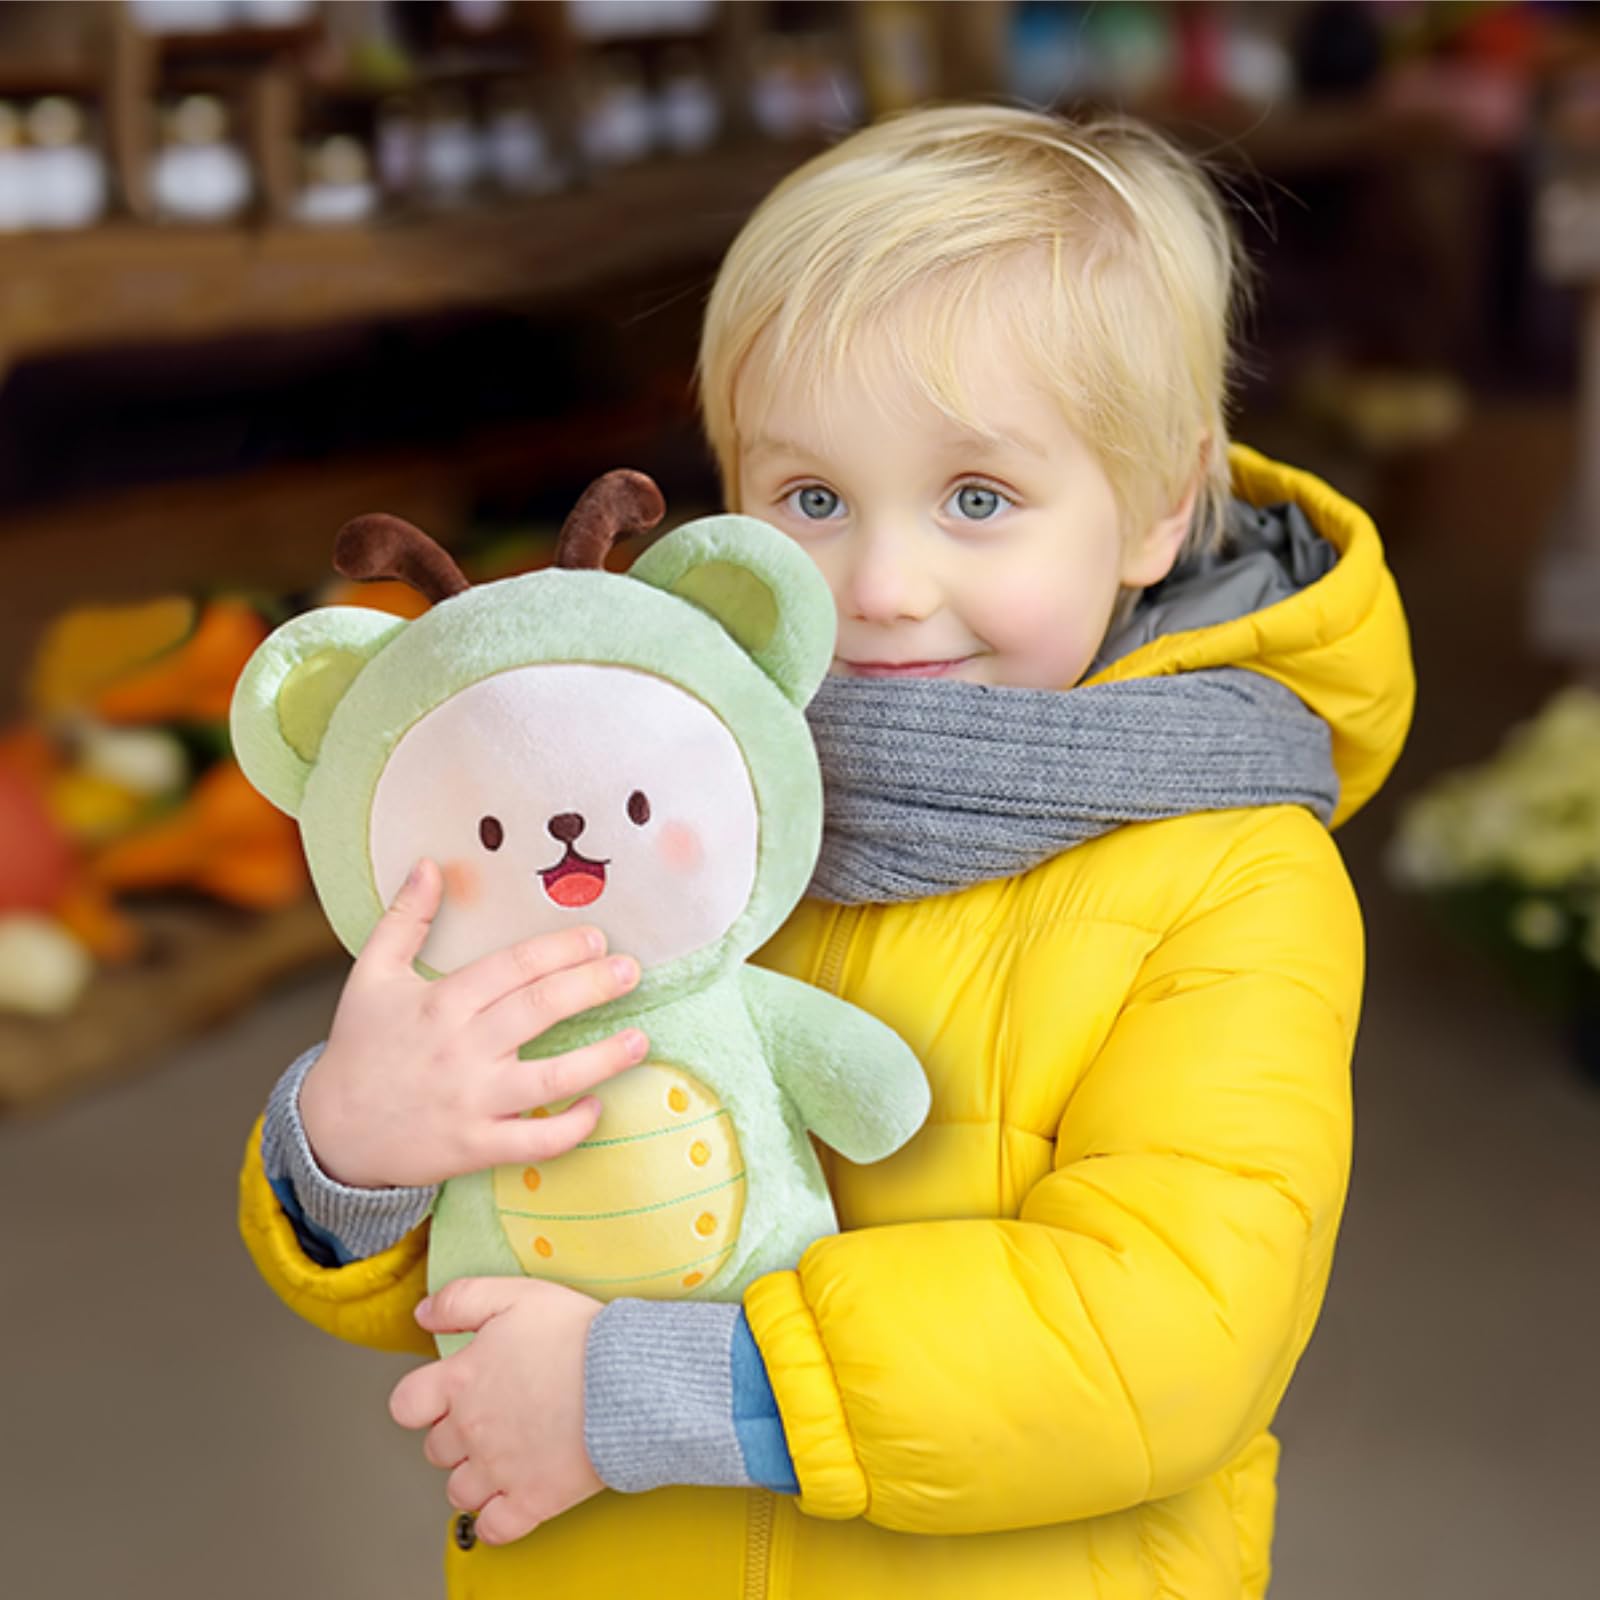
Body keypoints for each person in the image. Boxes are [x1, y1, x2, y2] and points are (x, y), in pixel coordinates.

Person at [238, 104, 1414, 1599]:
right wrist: (355, 1150)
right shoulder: (638, 799)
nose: (885, 584)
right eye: (811, 498)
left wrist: (633, 1391)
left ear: (1156, 508)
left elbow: (1166, 1335)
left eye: (978, 499)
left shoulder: (1232, 877)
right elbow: (489, 1246)